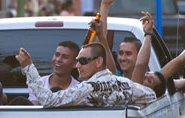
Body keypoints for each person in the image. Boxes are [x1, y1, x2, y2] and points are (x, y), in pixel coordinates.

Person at [15, 38, 158, 108]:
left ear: (98, 62)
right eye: (77, 61)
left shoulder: (87, 88)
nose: (77, 65)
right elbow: (151, 96)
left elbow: (49, 100)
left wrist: (28, 67)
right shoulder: (126, 84)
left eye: (83, 61)